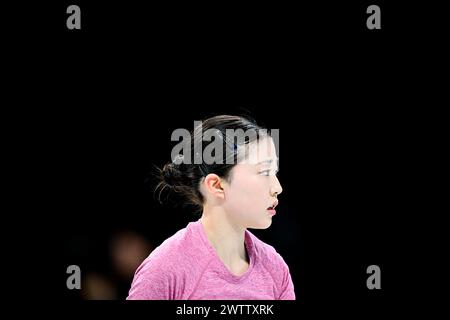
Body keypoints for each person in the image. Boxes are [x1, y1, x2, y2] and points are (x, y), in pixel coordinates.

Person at [128, 115, 295, 300]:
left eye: (274, 172)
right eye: (264, 172)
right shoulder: (165, 270)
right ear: (216, 185)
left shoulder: (275, 268)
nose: (277, 188)